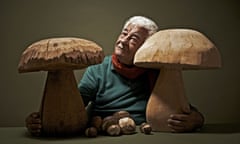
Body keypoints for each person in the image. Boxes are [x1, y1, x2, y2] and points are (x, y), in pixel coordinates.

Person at [25, 16, 204, 136]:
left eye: (133, 39)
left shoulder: (157, 72)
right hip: (101, 133)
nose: (123, 41)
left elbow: (182, 108)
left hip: (144, 135)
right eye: (124, 34)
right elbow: (73, 104)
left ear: (146, 47)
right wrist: (42, 119)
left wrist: (196, 119)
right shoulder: (98, 68)